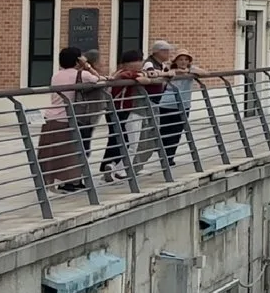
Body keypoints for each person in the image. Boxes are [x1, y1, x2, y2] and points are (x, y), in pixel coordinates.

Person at [40, 47, 104, 190]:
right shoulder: (81, 74)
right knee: (71, 151)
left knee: (53, 152)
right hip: (68, 118)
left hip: (51, 117)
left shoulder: (56, 75)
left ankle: (57, 182)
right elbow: (98, 79)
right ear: (77, 60)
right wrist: (87, 66)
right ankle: (69, 182)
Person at [99, 51, 151, 182]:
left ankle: (112, 166)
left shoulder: (117, 73)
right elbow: (142, 80)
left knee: (116, 139)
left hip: (112, 111)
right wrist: (147, 77)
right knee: (130, 142)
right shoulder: (128, 74)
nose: (141, 63)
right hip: (123, 110)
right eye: (138, 60)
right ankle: (117, 168)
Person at [155, 51, 197, 174]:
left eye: (186, 59)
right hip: (167, 104)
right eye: (180, 59)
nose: (183, 62)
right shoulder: (169, 70)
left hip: (183, 106)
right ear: (176, 61)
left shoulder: (191, 70)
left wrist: (188, 71)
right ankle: (164, 155)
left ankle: (169, 158)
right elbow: (161, 76)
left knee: (177, 132)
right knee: (164, 131)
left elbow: (205, 73)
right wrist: (175, 72)